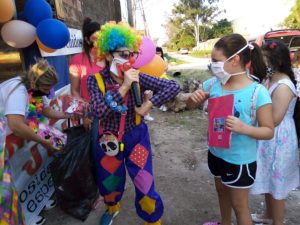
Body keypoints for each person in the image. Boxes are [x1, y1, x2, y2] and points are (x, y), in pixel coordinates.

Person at [87, 22, 181, 225]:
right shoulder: (95, 80)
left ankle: (152, 220)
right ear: (109, 55)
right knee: (110, 182)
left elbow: (174, 85)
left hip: (136, 137)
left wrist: (149, 104)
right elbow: (98, 111)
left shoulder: (137, 76)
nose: (128, 59)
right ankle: (112, 207)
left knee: (145, 184)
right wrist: (124, 86)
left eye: (132, 54)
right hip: (108, 141)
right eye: (123, 54)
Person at [187, 33, 274, 225]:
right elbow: (192, 105)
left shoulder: (257, 93)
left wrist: (244, 128)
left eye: (215, 61)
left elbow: (268, 131)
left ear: (235, 60)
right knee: (222, 192)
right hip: (216, 152)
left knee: (240, 205)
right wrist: (194, 100)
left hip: (240, 160)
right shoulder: (214, 84)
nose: (212, 65)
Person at [0, 59, 69, 225]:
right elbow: (15, 125)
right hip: (4, 137)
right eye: (46, 89)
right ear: (34, 82)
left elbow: (46, 110)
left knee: (60, 140)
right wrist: (44, 141)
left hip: (15, 132)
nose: (48, 93)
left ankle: (39, 199)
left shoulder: (35, 89)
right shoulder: (19, 92)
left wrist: (68, 115)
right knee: (6, 191)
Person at [250, 40, 300, 225]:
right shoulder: (269, 80)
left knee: (277, 183)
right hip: (268, 137)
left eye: (265, 59)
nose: (262, 63)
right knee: (267, 177)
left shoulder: (284, 85)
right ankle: (268, 214)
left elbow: (276, 118)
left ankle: (278, 221)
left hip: (279, 139)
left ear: (276, 61)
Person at [69, 17, 104, 101]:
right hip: (91, 111)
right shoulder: (77, 60)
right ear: (87, 40)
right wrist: (84, 108)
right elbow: (74, 91)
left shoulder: (110, 57)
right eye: (95, 38)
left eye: (102, 38)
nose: (99, 42)